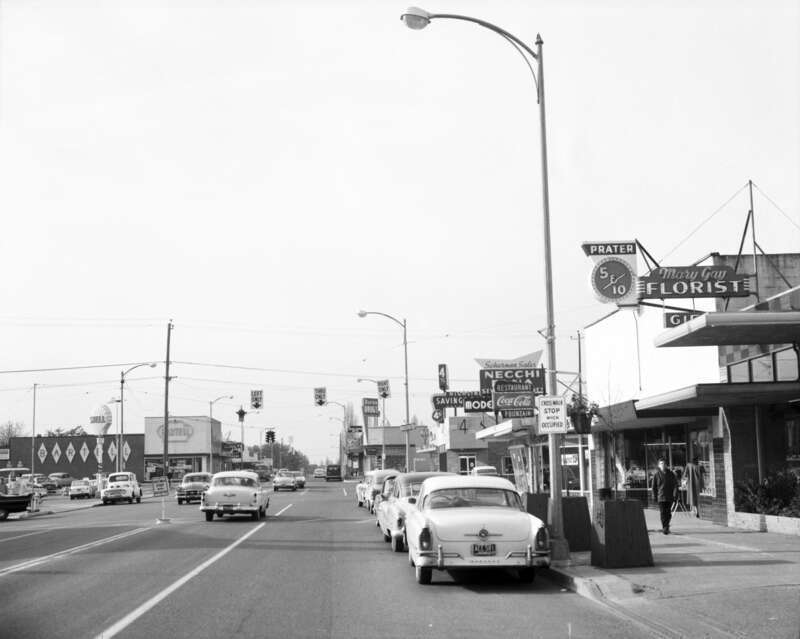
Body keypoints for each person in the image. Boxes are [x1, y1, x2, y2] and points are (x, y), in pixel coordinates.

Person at [652, 458, 678, 534]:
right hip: (661, 497)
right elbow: (653, 487)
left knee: (668, 513)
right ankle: (665, 527)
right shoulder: (656, 475)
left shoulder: (671, 474)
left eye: (664, 463)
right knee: (663, 512)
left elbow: (675, 485)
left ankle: (666, 525)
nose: (663, 465)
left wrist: (675, 494)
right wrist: (654, 496)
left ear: (666, 465)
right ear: (659, 465)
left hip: (669, 497)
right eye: (661, 464)